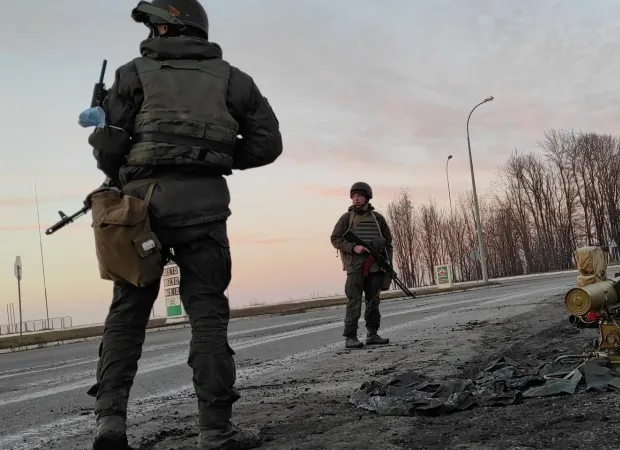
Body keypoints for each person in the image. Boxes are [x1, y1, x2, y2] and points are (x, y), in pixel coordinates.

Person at [85, 1, 282, 449]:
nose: (151, 34)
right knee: (207, 316)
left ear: (167, 27)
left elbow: (108, 149)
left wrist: (128, 161)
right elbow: (268, 144)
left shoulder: (131, 74)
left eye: (154, 26)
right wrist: (213, 157)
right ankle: (215, 430)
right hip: (206, 210)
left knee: (128, 313)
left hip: (140, 212)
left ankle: (110, 423)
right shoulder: (234, 79)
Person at [330, 182, 394, 349]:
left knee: (373, 302)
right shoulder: (346, 218)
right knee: (354, 302)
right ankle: (350, 337)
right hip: (355, 267)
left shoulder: (377, 218)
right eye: (354, 196)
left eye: (359, 195)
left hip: (375, 267)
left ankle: (372, 334)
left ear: (366, 197)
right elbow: (335, 238)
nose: (356, 199)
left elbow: (388, 242)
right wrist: (353, 247)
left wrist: (388, 264)